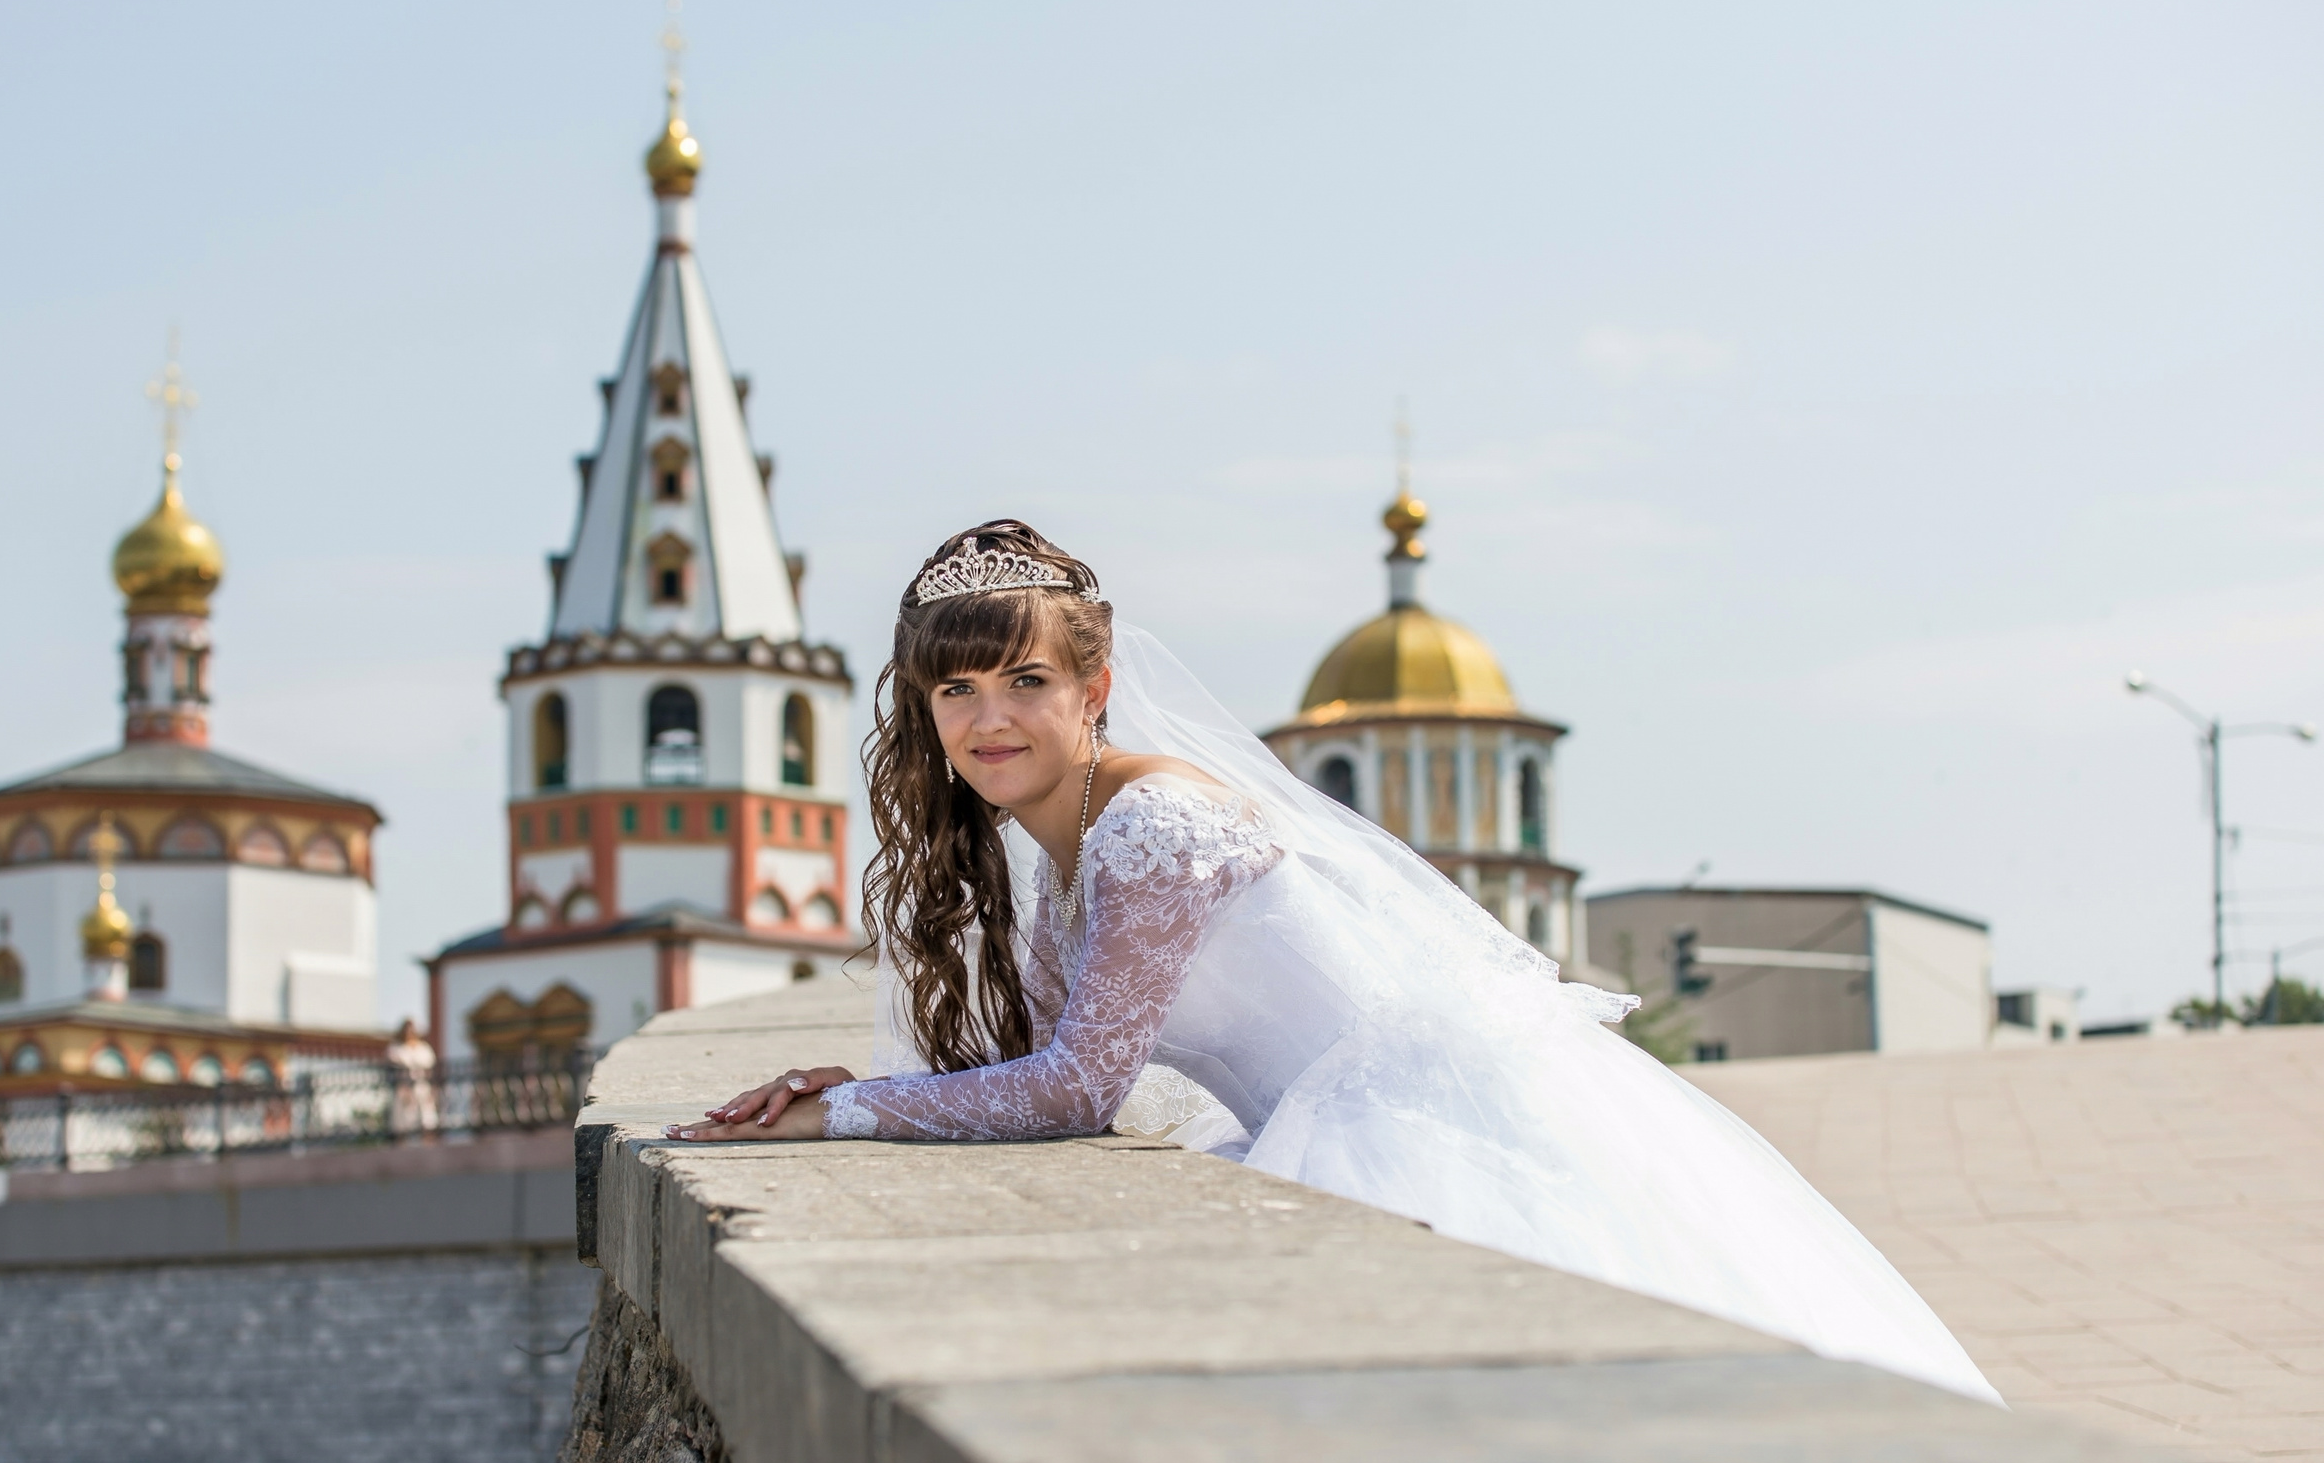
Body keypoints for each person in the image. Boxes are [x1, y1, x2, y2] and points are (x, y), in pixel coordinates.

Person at [665, 521, 2001, 1404]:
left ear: (1096, 683)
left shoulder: (1151, 821)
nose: (987, 717)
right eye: (955, 691)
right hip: (1335, 1121)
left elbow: (1079, 1088)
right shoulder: (1061, 851)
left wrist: (843, 1113)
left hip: (1426, 1126)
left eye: (1022, 679)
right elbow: (1038, 1061)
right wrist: (849, 1075)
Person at [387, 1019, 437, 1135]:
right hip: (405, 1089)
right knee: (403, 1123)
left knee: (427, 1120)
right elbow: (394, 1071)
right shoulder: (397, 1049)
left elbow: (430, 1072)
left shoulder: (424, 1049)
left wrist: (433, 1090)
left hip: (422, 1087)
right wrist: (403, 1089)